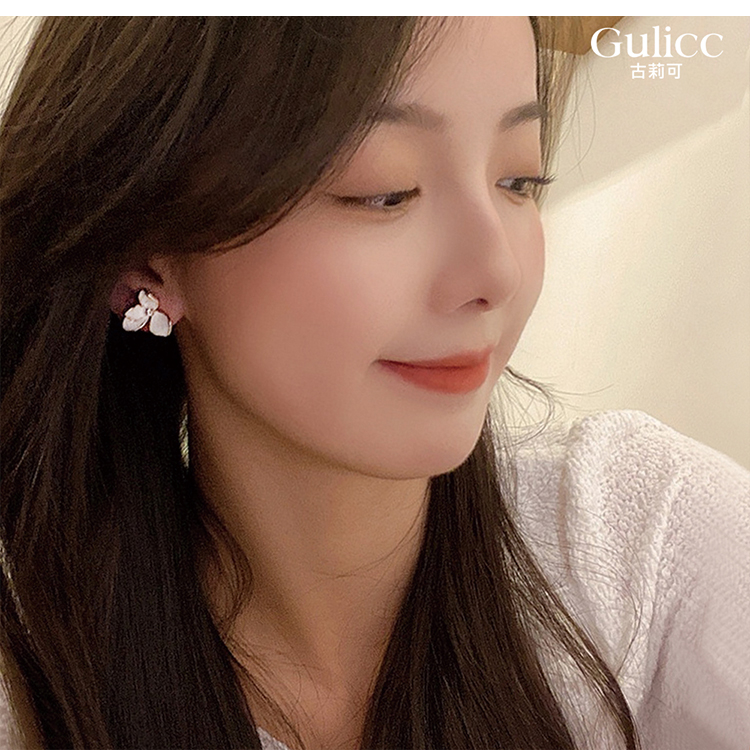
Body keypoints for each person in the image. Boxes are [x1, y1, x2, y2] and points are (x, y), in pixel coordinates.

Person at [0, 16, 747, 750]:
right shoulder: (30, 691)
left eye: (518, 180)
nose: (495, 271)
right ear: (148, 254)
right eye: (384, 192)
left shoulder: (647, 549)